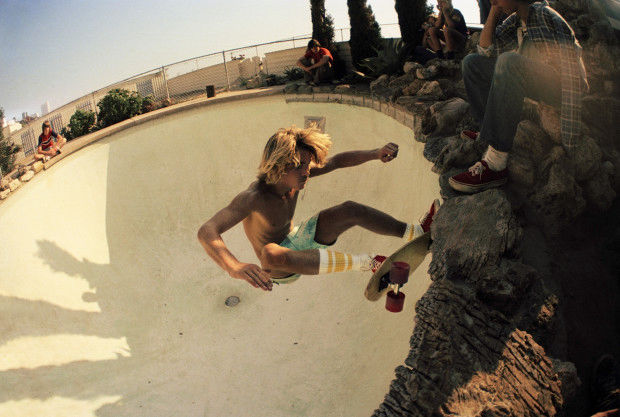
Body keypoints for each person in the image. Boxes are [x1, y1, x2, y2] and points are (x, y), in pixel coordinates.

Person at [197, 126, 440, 291]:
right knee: (269, 253)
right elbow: (207, 231)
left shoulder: (298, 174)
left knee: (349, 209)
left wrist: (376, 153)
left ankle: (415, 232)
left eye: (307, 165)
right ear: (279, 165)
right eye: (299, 166)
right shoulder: (253, 197)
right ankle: (369, 263)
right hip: (279, 268)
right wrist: (234, 266)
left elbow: (336, 162)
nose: (306, 172)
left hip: (299, 238)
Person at [449, 0, 588, 193]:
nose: (492, 1)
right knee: (471, 63)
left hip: (561, 88)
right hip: (538, 83)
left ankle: (496, 163)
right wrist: (494, 11)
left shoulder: (544, 14)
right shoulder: (515, 21)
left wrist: (569, 139)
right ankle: (488, 133)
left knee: (509, 62)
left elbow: (571, 75)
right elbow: (485, 50)